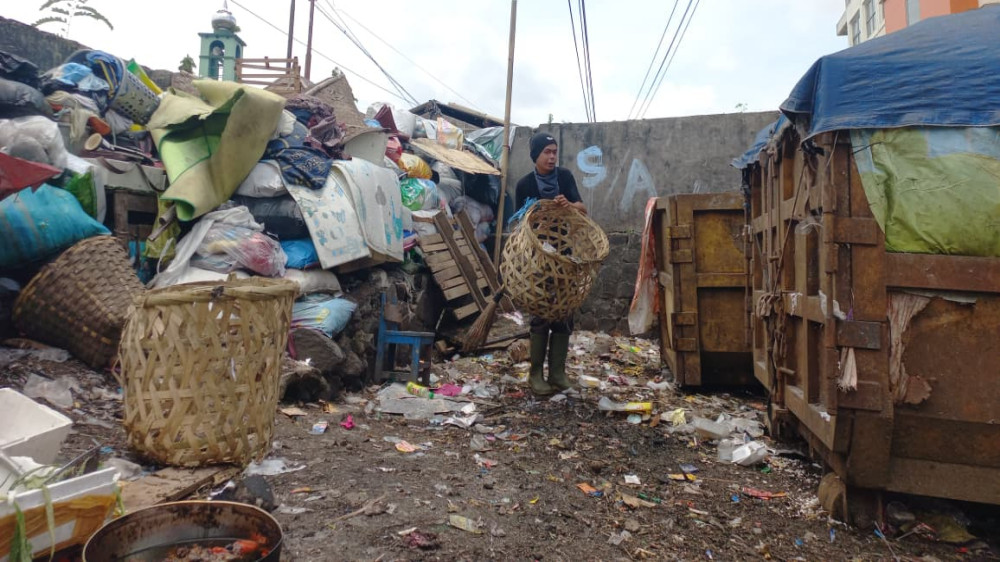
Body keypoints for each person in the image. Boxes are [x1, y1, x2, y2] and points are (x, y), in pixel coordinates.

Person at [514, 132, 587, 396]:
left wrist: (569, 205)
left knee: (564, 312)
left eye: (555, 151)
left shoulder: (564, 178)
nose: (552, 156)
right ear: (536, 155)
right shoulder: (524, 185)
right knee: (541, 312)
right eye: (547, 152)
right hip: (538, 258)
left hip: (564, 256)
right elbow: (519, 223)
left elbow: (583, 208)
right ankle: (535, 375)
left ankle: (557, 373)